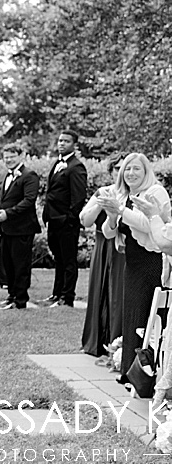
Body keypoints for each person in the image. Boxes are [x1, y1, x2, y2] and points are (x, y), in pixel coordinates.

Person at [98, 152, 169, 384]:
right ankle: (130, 371)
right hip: (133, 262)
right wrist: (111, 215)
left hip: (153, 260)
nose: (130, 173)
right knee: (132, 314)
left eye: (136, 169)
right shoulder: (123, 195)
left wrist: (120, 210)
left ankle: (147, 372)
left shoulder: (155, 192)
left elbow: (149, 224)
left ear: (146, 171)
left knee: (149, 314)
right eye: (127, 169)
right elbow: (109, 232)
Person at [0, 144, 42, 310]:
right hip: (6, 228)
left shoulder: (30, 175)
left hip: (22, 228)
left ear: (21, 156)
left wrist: (7, 213)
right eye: (6, 157)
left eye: (12, 157)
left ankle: (21, 300)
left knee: (20, 265)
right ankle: (11, 296)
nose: (8, 160)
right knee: (7, 264)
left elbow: (28, 201)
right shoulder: (4, 176)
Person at [79, 153, 126, 357]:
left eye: (124, 169)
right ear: (111, 171)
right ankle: (97, 342)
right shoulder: (102, 191)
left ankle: (119, 344)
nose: (121, 173)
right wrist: (101, 201)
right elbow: (85, 220)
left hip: (123, 248)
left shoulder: (136, 194)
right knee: (100, 290)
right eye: (117, 169)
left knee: (119, 294)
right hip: (102, 245)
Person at [43, 130, 88, 308]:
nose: (61, 143)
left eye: (66, 141)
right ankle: (57, 293)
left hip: (66, 222)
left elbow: (78, 197)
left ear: (74, 145)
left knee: (68, 260)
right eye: (60, 140)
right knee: (58, 258)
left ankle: (67, 297)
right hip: (53, 220)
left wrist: (69, 218)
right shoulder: (57, 163)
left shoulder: (76, 166)